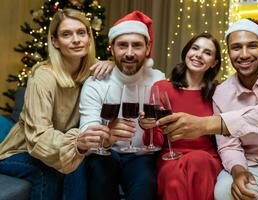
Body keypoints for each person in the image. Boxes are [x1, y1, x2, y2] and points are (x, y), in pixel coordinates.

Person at [157, 18, 258, 199]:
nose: (244, 54)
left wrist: (210, 124)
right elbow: (229, 145)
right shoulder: (221, 92)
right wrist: (238, 170)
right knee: (224, 192)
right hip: (253, 167)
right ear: (229, 52)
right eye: (236, 47)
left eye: (252, 46)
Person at [0, 8, 113, 200]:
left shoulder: (94, 72)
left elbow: (129, 67)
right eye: (66, 34)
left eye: (81, 32)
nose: (76, 40)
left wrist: (113, 64)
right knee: (51, 171)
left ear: (89, 37)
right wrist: (76, 143)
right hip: (20, 151)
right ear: (55, 41)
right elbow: (39, 137)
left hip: (58, 146)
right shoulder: (43, 77)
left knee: (78, 163)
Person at [79, 10, 165, 200]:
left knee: (146, 184)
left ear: (147, 48)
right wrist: (108, 135)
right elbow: (87, 132)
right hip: (105, 153)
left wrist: (156, 125)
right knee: (99, 176)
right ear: (111, 48)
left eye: (136, 46)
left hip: (142, 156)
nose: (129, 53)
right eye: (122, 46)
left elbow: (165, 126)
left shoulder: (158, 80)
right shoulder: (96, 83)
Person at [139, 32, 223, 200]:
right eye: (195, 48)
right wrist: (148, 127)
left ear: (214, 63)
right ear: (187, 52)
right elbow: (155, 142)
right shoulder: (162, 87)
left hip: (206, 159)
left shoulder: (219, 91)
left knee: (198, 159)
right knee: (174, 183)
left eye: (207, 52)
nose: (198, 55)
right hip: (170, 158)